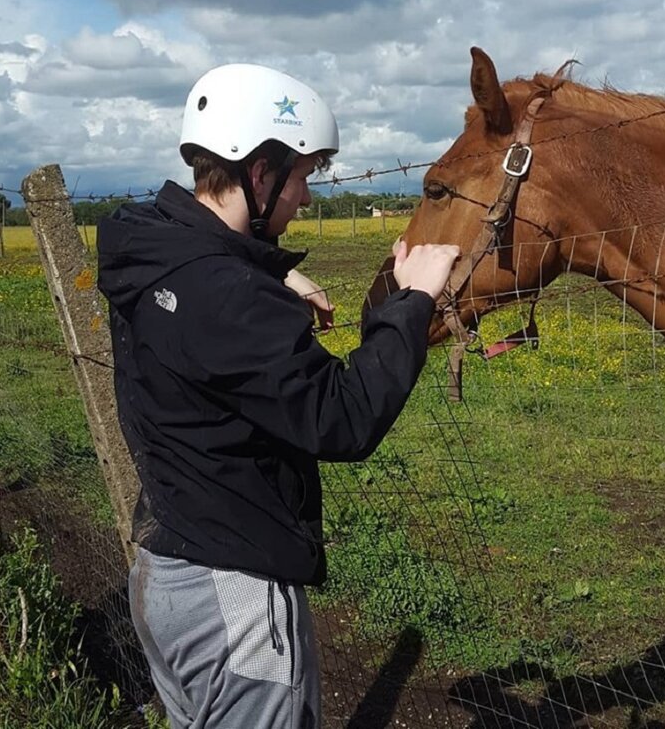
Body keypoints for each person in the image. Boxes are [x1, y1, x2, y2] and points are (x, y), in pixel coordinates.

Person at [97, 62, 459, 728]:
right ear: (258, 176)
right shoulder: (228, 299)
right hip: (234, 598)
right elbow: (343, 419)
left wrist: (266, 276)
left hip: (162, 574)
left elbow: (202, 285)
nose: (307, 198)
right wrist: (412, 304)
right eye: (302, 177)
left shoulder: (146, 251)